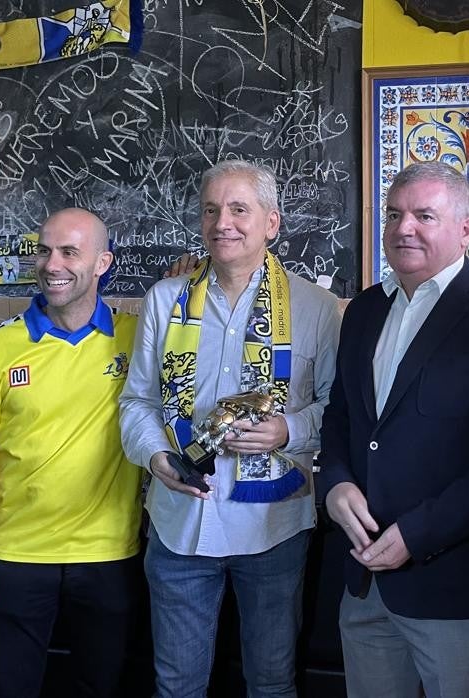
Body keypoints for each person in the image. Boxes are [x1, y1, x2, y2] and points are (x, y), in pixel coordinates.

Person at [317, 161, 469, 698]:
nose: (405, 228)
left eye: (425, 215)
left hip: (459, 588)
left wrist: (417, 536)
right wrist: (334, 483)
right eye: (395, 214)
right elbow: (341, 417)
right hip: (365, 580)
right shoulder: (363, 312)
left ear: (467, 229)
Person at [118, 159, 341, 697]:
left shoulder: (317, 308)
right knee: (176, 685)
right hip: (179, 526)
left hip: (274, 529)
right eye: (212, 210)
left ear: (272, 223)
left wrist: (287, 430)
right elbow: (137, 403)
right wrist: (155, 457)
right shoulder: (164, 301)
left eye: (240, 209)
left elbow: (339, 409)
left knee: (270, 682)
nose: (224, 223)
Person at [0, 207, 142, 698]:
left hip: (110, 554)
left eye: (70, 251)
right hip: (15, 556)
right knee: (10, 688)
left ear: (102, 263)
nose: (52, 264)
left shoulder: (138, 339)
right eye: (44, 250)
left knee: (103, 687)